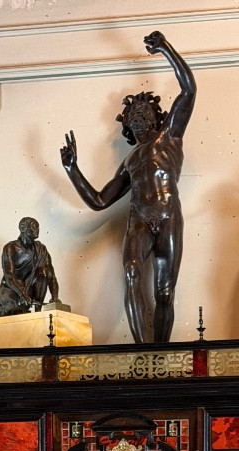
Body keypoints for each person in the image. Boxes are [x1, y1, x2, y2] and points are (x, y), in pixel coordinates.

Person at [60, 31, 196, 344]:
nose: (138, 117)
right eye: (132, 116)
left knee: (165, 291)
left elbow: (189, 90)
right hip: (139, 220)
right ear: (128, 126)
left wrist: (165, 48)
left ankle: (160, 354)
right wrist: (72, 169)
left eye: (143, 112)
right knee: (132, 272)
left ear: (156, 118)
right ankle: (142, 351)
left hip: (168, 215)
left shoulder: (170, 137)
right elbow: (98, 200)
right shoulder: (130, 161)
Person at [0, 217, 59, 316]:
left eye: (37, 227)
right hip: (11, 289)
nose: (37, 230)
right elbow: (9, 276)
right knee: (15, 311)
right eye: (33, 227)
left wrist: (55, 298)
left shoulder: (41, 249)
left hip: (29, 291)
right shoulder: (10, 247)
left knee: (44, 271)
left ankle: (38, 311)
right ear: (22, 228)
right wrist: (22, 295)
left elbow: (51, 276)